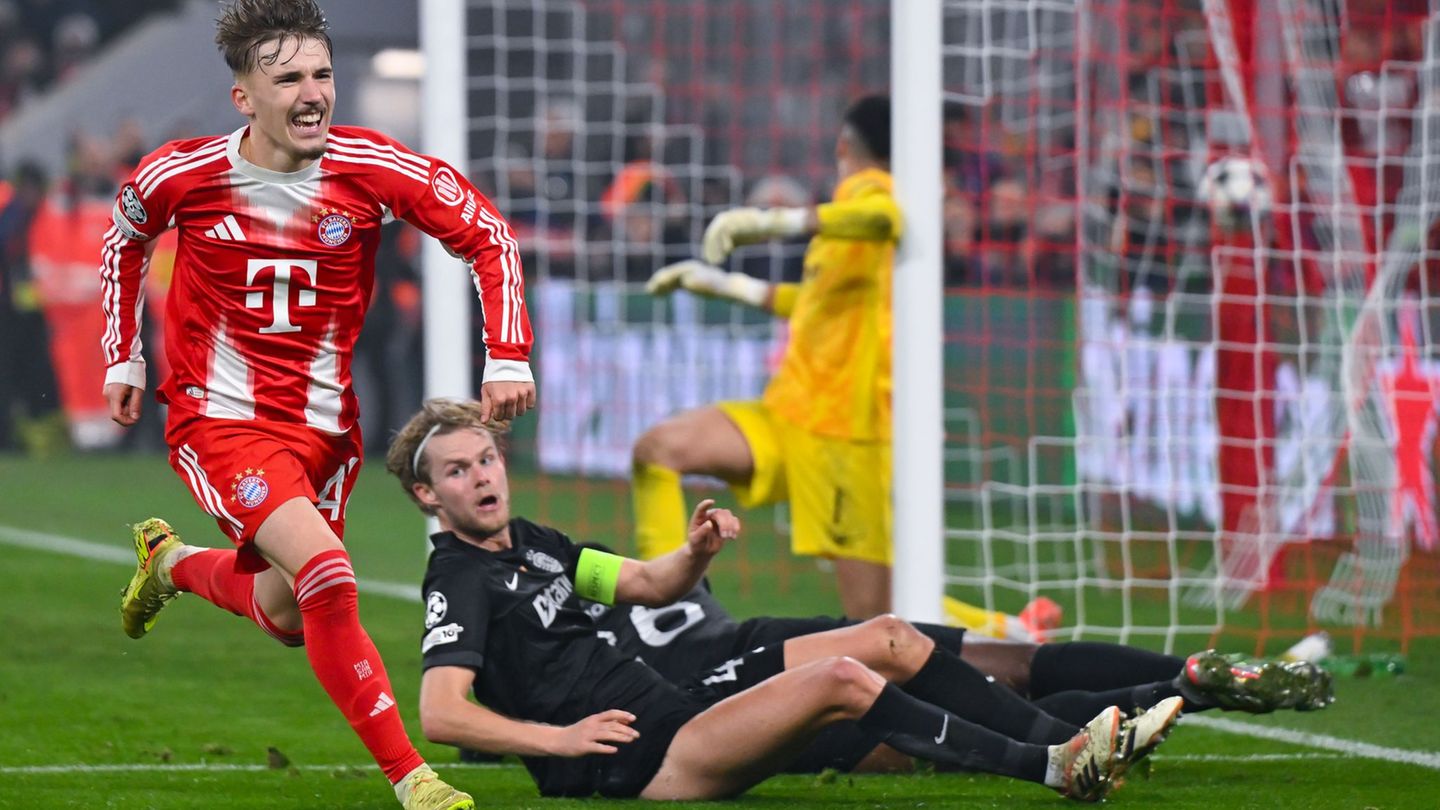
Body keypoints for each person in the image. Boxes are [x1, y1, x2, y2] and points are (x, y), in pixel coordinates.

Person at [105, 3, 534, 808]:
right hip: (219, 419)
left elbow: (487, 233)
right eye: (289, 79)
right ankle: (415, 779)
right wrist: (123, 353)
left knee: (288, 615)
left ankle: (169, 563)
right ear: (244, 98)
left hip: (326, 431)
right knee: (329, 577)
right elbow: (123, 240)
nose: (313, 93)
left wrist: (506, 350)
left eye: (323, 74)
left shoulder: (370, 167)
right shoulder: (182, 176)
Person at [383, 398, 1189, 802]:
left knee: (887, 636)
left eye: (486, 458)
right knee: (841, 678)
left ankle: (1074, 741)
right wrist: (558, 742)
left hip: (677, 710)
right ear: (427, 494)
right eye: (457, 470)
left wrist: (695, 552)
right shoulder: (460, 578)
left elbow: (646, 585)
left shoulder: (535, 544)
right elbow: (441, 713)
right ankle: (1056, 769)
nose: (481, 477)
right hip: (643, 761)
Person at [633, 95, 901, 618]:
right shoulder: (845, 221)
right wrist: (725, 284)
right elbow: (815, 304)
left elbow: (883, 216)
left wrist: (769, 222)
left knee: (880, 625)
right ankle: (670, 611)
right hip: (788, 415)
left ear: (843, 145)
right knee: (659, 448)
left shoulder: (872, 195)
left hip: (843, 441)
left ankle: (1009, 634)